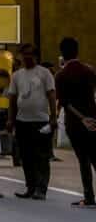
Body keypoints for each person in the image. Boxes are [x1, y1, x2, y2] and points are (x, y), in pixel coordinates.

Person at [7, 43, 57, 200]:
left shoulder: (44, 73)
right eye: (24, 54)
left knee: (41, 156)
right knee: (26, 156)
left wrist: (53, 117)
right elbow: (12, 99)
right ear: (21, 56)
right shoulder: (17, 75)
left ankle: (41, 189)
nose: (27, 57)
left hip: (41, 121)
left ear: (36, 56)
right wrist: (10, 119)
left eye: (30, 54)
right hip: (22, 121)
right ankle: (31, 187)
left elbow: (51, 95)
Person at [55, 37, 96, 208]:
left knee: (83, 160)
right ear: (77, 51)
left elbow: (64, 102)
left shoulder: (61, 75)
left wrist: (81, 118)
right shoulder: (90, 71)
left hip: (75, 123)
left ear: (62, 53)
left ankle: (89, 196)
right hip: (94, 120)